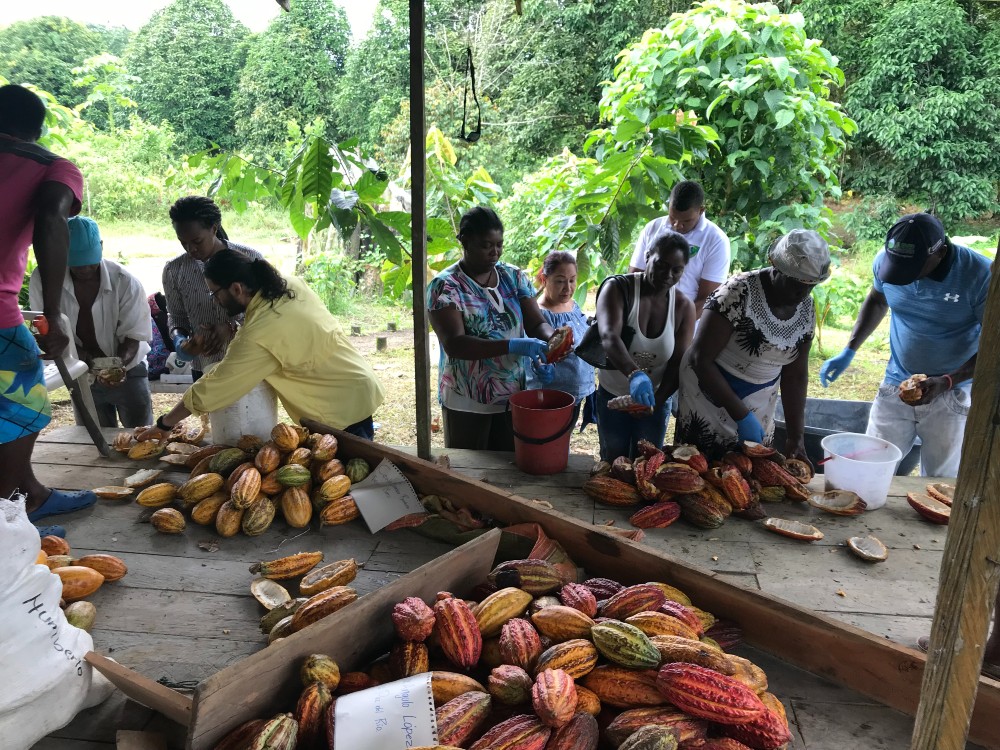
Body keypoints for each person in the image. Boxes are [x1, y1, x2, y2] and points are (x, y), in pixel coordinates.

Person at [137, 250, 384, 441]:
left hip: (338, 410)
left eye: (215, 294)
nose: (216, 302)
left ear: (236, 288)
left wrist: (165, 424)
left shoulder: (259, 336)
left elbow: (213, 389)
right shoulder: (289, 284)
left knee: (349, 486)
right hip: (357, 383)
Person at [819, 213, 989, 477]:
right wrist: (849, 350)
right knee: (870, 470)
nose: (905, 277)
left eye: (913, 269)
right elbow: (877, 300)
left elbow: (994, 346)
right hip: (896, 383)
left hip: (951, 393)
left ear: (941, 252)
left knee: (939, 481)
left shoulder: (979, 276)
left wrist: (947, 381)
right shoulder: (885, 261)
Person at [0, 84, 96, 535]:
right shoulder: (51, 167)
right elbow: (53, 219)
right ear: (36, 131)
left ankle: (31, 492)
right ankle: (10, 519)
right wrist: (54, 311)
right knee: (25, 404)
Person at [676, 229, 830, 460]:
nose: (804, 292)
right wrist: (741, 416)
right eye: (797, 283)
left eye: (811, 285)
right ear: (778, 269)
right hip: (709, 392)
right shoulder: (738, 292)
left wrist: (795, 437)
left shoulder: (805, 308)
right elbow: (700, 358)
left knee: (751, 468)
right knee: (703, 466)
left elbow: (795, 375)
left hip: (760, 398)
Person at [428, 206, 554, 450]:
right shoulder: (445, 286)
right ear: (465, 241)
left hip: (513, 395)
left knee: (506, 468)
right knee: (468, 473)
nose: (494, 252)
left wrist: (551, 342)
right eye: (486, 245)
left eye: (499, 245)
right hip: (466, 398)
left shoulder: (513, 277)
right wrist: (513, 345)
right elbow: (455, 344)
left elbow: (536, 323)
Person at [28, 216, 153, 428]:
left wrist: (116, 367)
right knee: (92, 441)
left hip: (129, 370)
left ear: (101, 247)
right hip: (79, 372)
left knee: (141, 435)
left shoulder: (125, 281)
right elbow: (47, 329)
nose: (84, 269)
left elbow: (134, 336)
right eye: (77, 264)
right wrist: (86, 361)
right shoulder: (43, 279)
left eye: (90, 262)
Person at [595, 232, 695, 461]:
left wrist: (655, 403)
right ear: (648, 256)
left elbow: (678, 362)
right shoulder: (619, 289)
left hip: (655, 401)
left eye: (676, 270)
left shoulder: (682, 307)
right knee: (613, 462)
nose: (667, 275)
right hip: (613, 395)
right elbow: (609, 336)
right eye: (661, 265)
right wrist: (635, 375)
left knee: (647, 464)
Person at [163, 196, 262, 380]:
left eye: (197, 241)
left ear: (214, 228)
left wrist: (232, 326)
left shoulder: (250, 258)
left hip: (248, 363)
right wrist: (181, 342)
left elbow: (267, 311)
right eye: (183, 242)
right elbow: (176, 317)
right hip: (203, 367)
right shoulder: (174, 270)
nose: (190, 249)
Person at [629, 180, 731, 317]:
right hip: (643, 316)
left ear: (701, 210)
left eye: (686, 221)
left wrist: (671, 325)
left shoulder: (716, 240)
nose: (677, 225)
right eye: (672, 218)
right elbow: (634, 277)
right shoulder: (652, 228)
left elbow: (708, 299)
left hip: (686, 322)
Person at [525, 251, 596, 426]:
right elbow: (533, 356)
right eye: (560, 281)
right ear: (545, 279)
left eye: (572, 280)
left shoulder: (573, 305)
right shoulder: (538, 315)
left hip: (575, 394)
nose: (567, 288)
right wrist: (541, 366)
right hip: (551, 397)